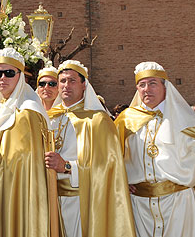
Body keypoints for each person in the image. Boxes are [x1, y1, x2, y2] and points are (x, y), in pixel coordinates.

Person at [114, 61, 195, 237]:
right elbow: (112, 158)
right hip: (138, 207)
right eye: (142, 85)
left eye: (153, 83)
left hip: (179, 205)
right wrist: (120, 179)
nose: (147, 89)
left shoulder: (185, 119)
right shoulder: (125, 121)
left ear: (165, 87)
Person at [43, 61, 136, 237]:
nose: (65, 86)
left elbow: (108, 166)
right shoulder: (49, 118)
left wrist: (68, 166)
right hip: (50, 199)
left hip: (83, 200)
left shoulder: (98, 120)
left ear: (84, 85)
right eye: (62, 81)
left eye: (72, 81)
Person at [0, 48, 52, 237]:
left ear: (20, 77)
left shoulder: (27, 111)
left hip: (19, 190)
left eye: (9, 73)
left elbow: (23, 159)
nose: (2, 78)